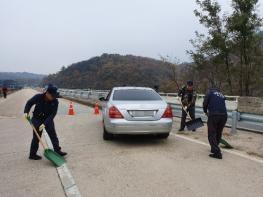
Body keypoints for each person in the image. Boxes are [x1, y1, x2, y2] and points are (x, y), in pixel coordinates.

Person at [24, 84, 67, 160]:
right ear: (47, 93)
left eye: (55, 96)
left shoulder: (55, 101)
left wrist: (44, 124)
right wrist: (26, 112)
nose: (53, 97)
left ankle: (57, 151)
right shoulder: (38, 97)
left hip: (48, 119)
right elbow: (29, 103)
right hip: (37, 119)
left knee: (53, 136)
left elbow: (52, 114)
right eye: (52, 96)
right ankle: (32, 154)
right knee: (36, 137)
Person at [203, 86, 227, 159]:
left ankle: (217, 152)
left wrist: (205, 111)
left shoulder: (209, 92)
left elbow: (205, 103)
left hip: (214, 115)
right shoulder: (221, 94)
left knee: (212, 133)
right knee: (218, 132)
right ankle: (214, 148)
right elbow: (222, 102)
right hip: (224, 115)